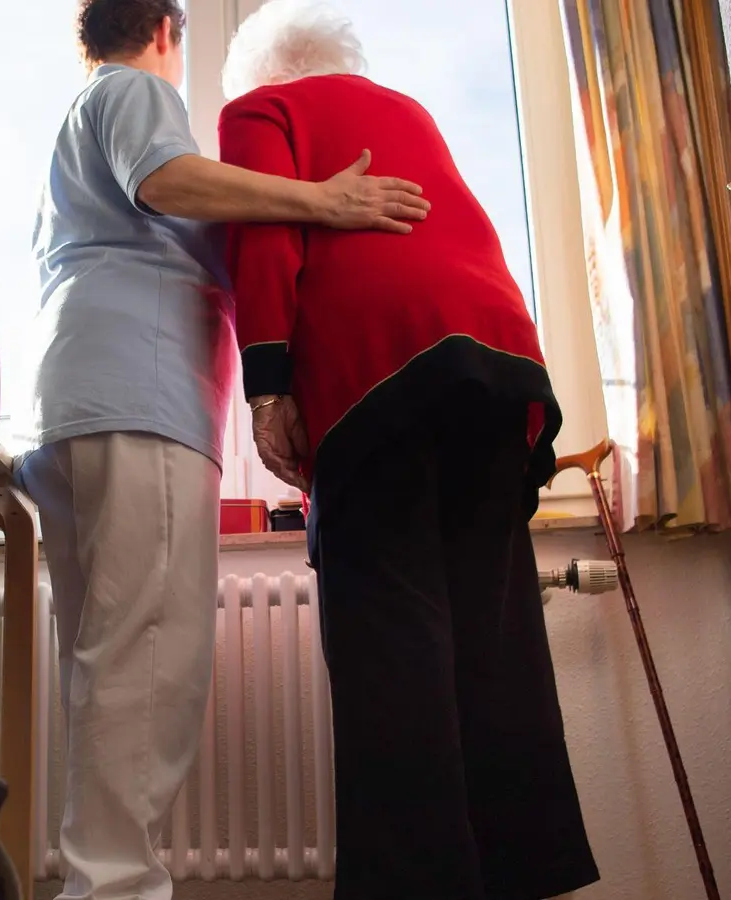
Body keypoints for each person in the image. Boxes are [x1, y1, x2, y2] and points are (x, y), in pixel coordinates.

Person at [13, 2, 430, 898]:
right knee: (151, 664)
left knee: (106, 666)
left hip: (75, 404)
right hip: (136, 400)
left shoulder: (75, 130)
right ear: (169, 27)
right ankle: (116, 890)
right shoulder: (132, 92)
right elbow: (170, 181)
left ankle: (96, 883)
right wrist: (324, 199)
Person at [217, 1, 601, 897]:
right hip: (500, 370)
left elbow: (265, 238)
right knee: (492, 642)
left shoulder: (259, 113)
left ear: (260, 71)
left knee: (393, 647)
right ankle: (521, 874)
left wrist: (268, 383)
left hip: (379, 378)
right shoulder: (409, 111)